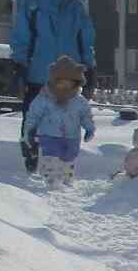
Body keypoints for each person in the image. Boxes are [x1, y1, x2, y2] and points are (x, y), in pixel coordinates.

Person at [10, 0, 96, 173]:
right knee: (34, 115)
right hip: (38, 73)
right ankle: (31, 155)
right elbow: (22, 36)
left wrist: (90, 67)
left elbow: (86, 39)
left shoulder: (77, 7)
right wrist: (18, 64)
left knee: (67, 119)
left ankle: (62, 161)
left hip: (69, 74)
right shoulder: (32, 4)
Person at [22, 55, 96, 188]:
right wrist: (30, 130)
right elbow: (33, 115)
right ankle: (51, 181)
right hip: (49, 135)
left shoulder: (79, 101)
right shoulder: (44, 98)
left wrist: (89, 129)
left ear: (76, 83)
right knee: (51, 159)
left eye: (69, 83)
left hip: (72, 137)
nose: (65, 86)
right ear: (54, 81)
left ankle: (67, 180)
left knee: (69, 159)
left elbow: (86, 116)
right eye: (61, 82)